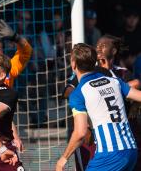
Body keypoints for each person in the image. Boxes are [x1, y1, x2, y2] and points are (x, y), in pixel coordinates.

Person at [56, 43, 139, 171]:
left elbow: (80, 133)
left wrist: (63, 159)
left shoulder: (79, 93)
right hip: (131, 150)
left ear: (73, 64)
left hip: (109, 155)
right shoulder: (114, 81)